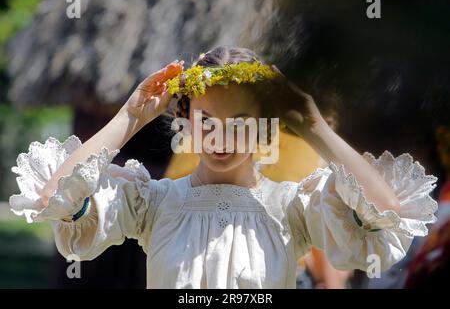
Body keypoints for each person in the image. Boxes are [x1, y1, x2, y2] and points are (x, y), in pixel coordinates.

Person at [9, 46, 438, 288]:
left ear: (266, 127)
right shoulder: (153, 203)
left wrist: (313, 127)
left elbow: (391, 216)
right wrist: (130, 117)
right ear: (186, 121)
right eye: (207, 123)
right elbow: (54, 199)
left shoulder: (292, 207)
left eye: (239, 125)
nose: (220, 139)